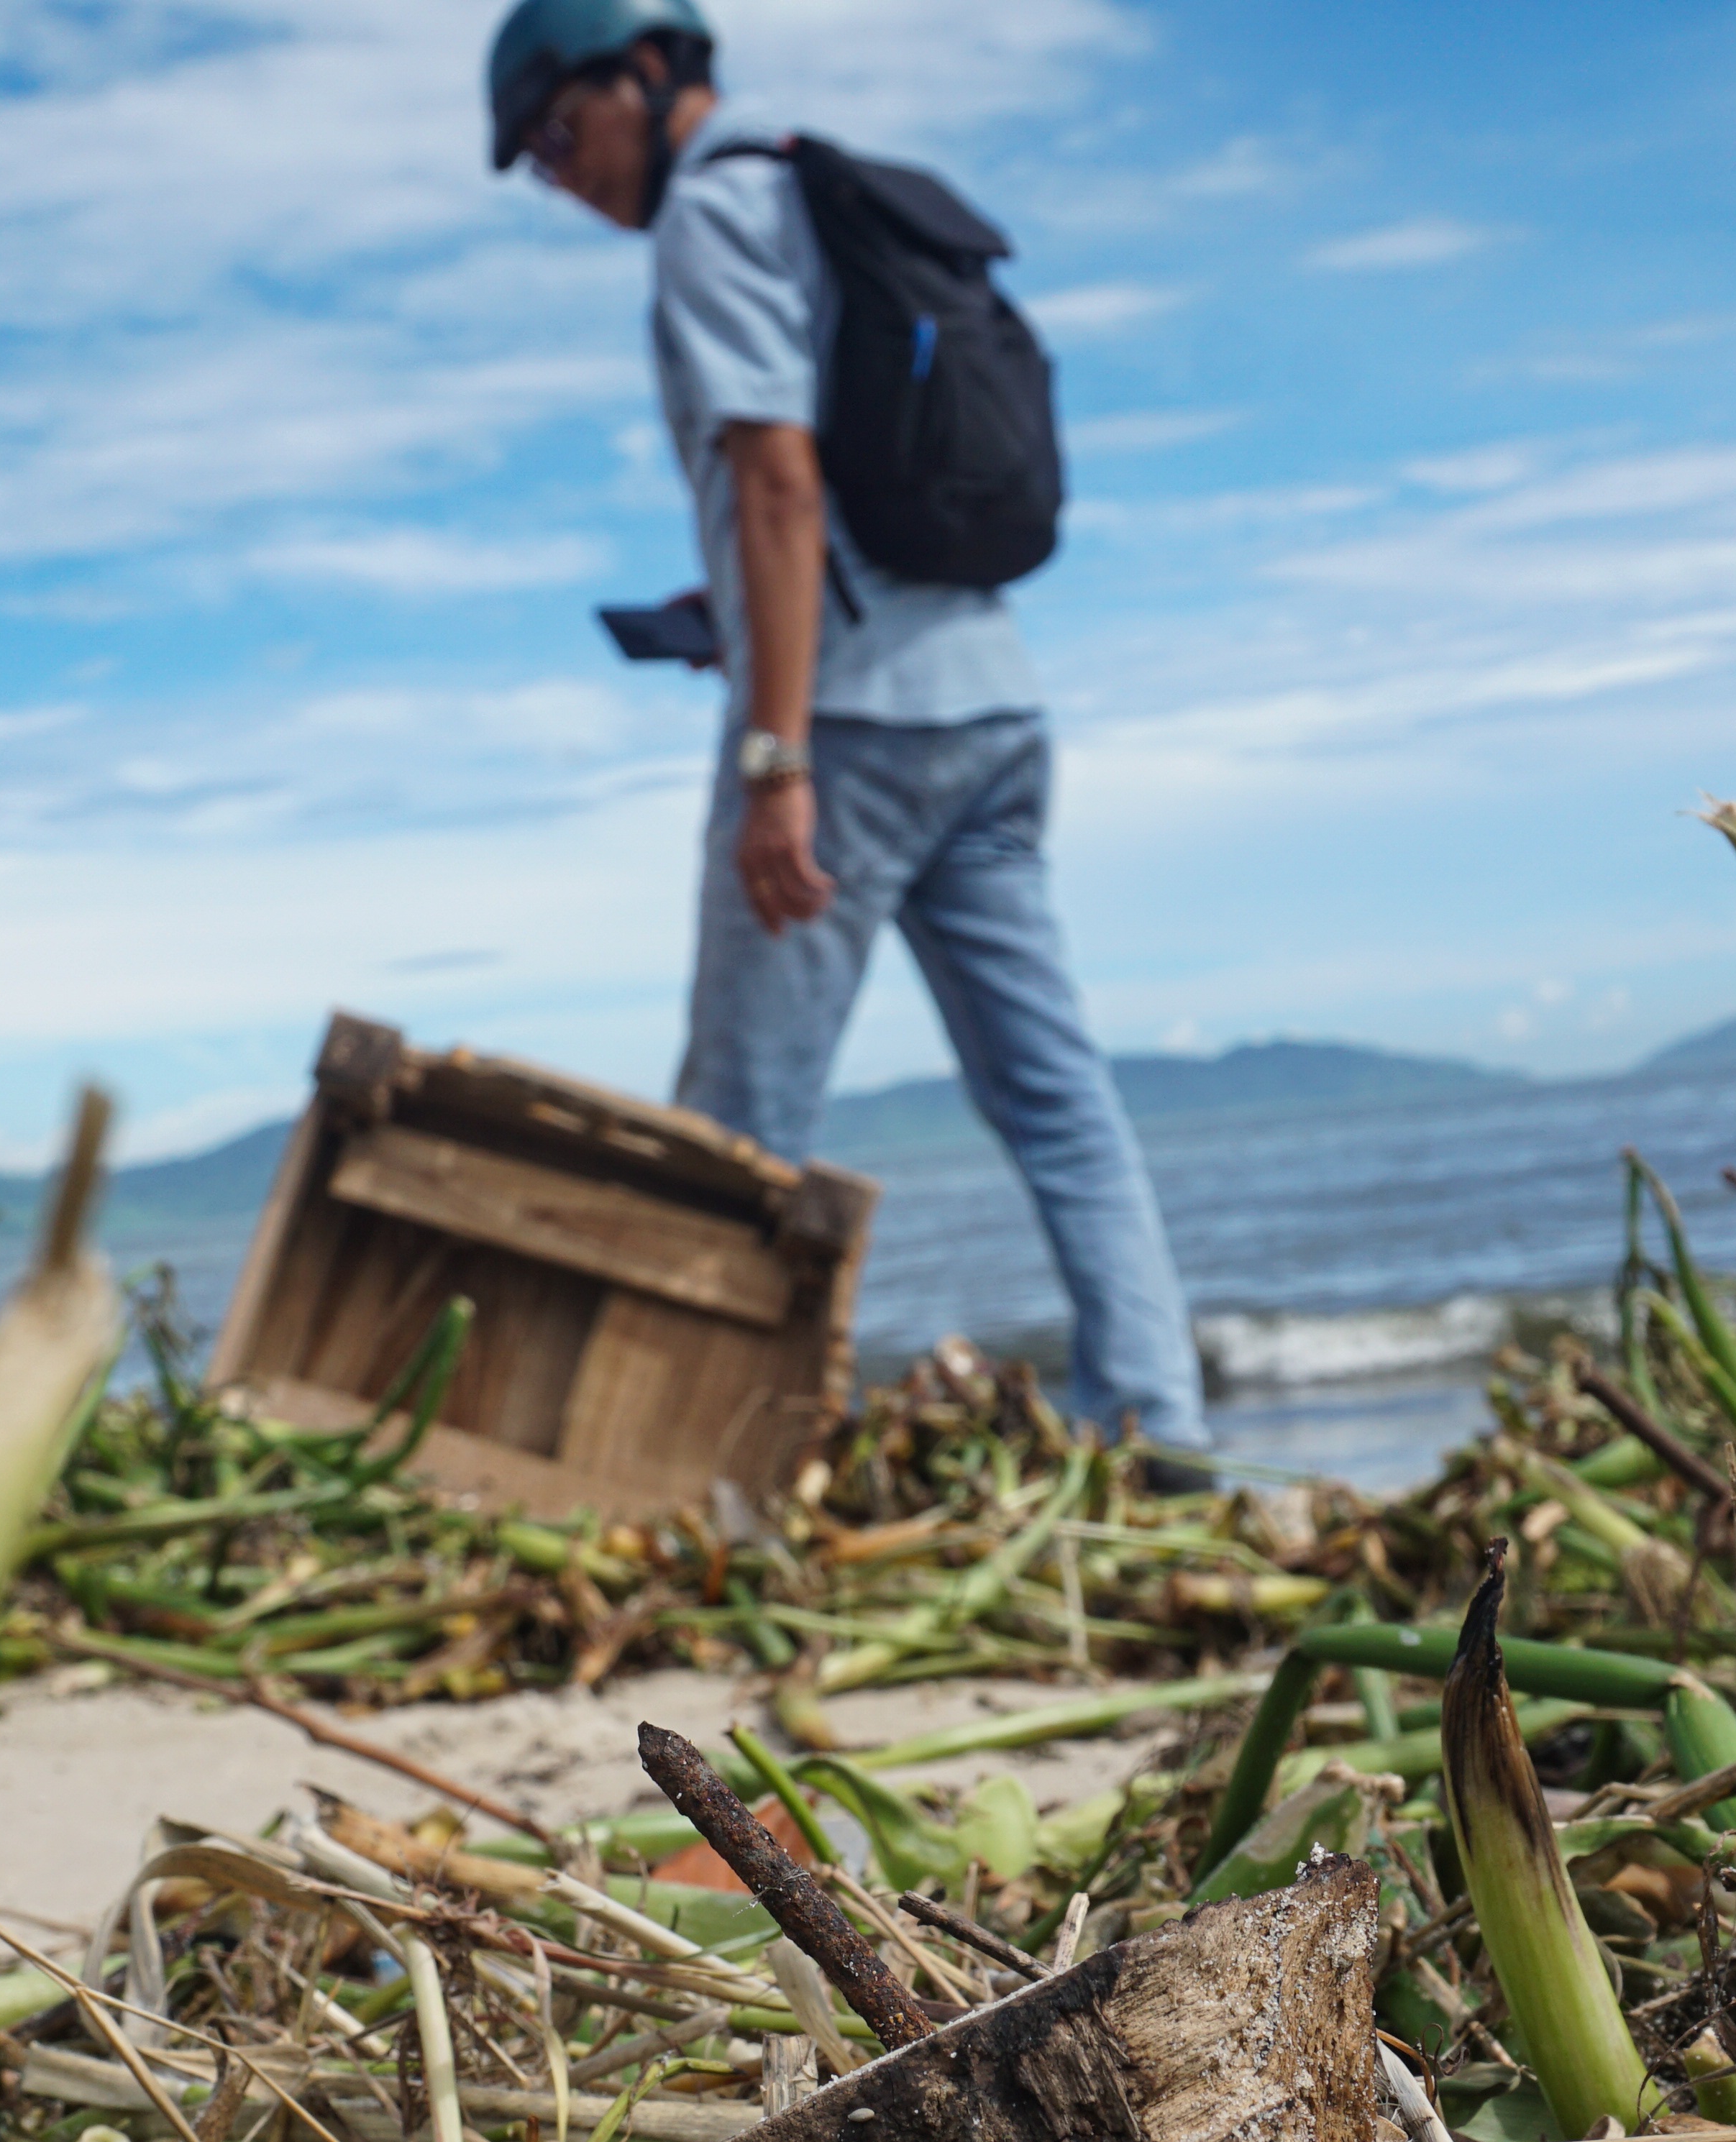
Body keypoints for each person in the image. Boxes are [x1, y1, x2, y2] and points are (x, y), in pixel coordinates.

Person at [486, 0, 1215, 1460]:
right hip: (992, 701)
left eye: (562, 134)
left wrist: (776, 757)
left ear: (645, 71)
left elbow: (781, 483)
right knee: (1057, 1097)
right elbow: (814, 497)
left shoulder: (713, 216)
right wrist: (746, 611)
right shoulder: (820, 188)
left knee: (737, 1127)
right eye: (536, 165)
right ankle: (1162, 1430)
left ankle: (688, 1464)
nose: (563, 177)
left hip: (852, 734)